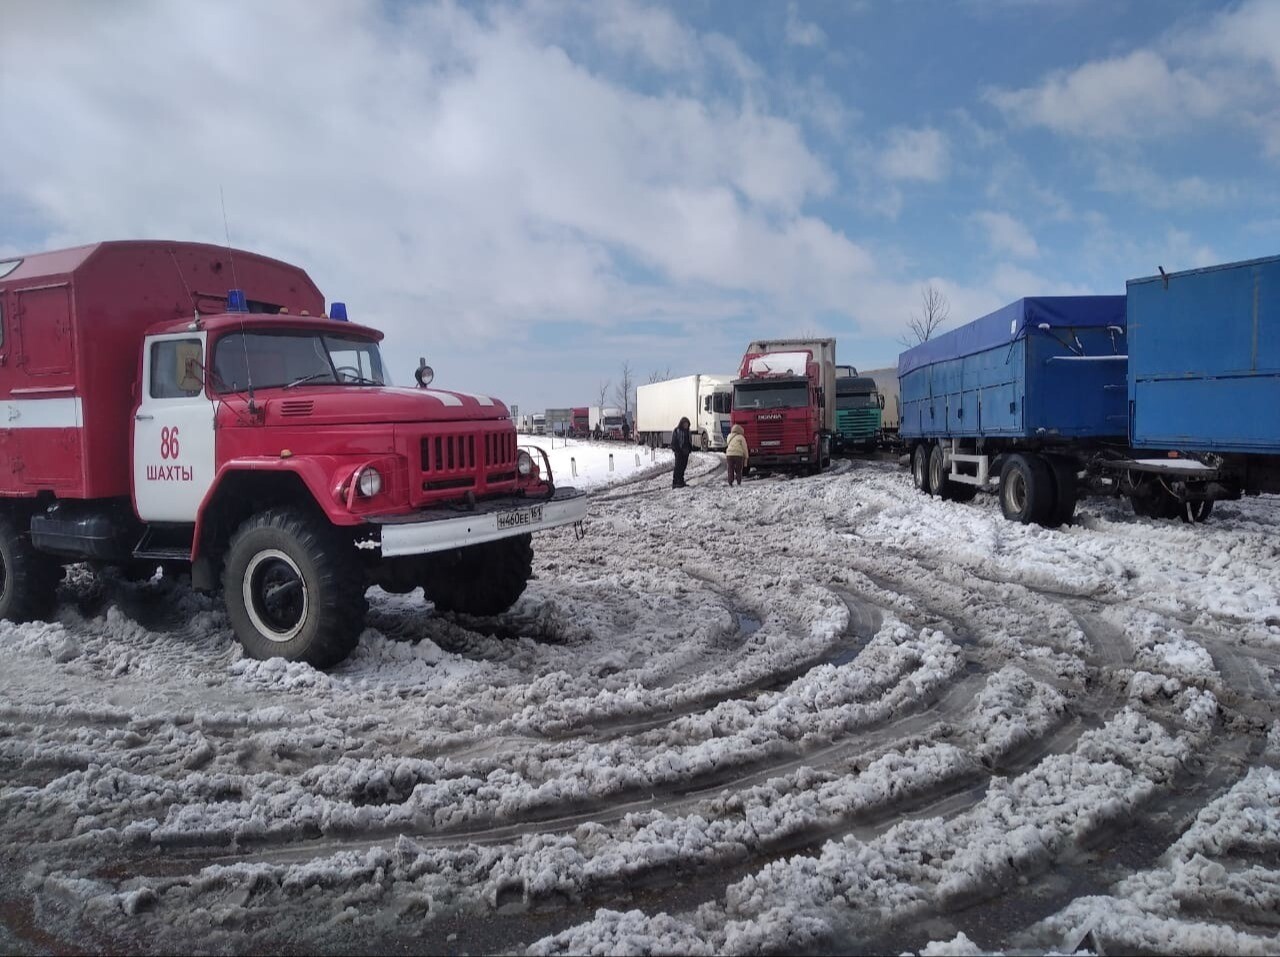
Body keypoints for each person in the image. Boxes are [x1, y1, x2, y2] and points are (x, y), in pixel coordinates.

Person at [671, 416, 693, 487]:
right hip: (679, 452)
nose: (686, 425)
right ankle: (675, 482)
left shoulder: (688, 432)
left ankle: (681, 481)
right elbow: (674, 442)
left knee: (683, 467)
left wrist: (690, 449)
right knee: (678, 467)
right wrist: (677, 450)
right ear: (682, 424)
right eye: (685, 424)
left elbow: (689, 441)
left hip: (686, 452)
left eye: (687, 424)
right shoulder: (677, 431)